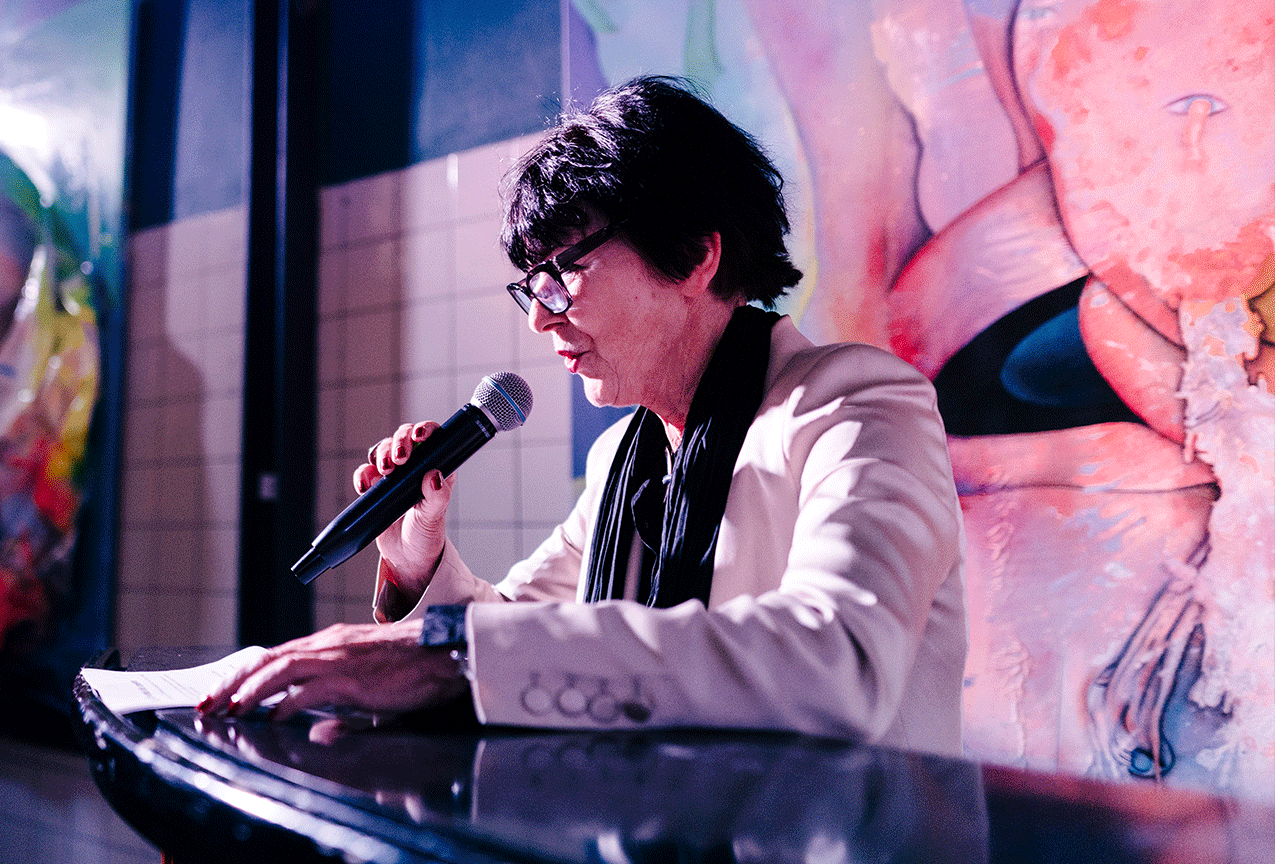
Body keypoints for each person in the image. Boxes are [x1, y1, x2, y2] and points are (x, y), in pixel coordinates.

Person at [201, 76, 968, 757]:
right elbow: (518, 634)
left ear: (694, 254)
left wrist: (450, 653)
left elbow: (838, 658)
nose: (541, 316)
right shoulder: (625, 457)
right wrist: (420, 561)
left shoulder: (858, 405)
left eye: (564, 271)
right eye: (531, 283)